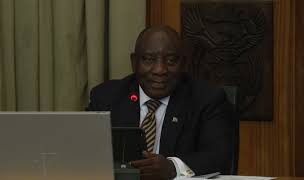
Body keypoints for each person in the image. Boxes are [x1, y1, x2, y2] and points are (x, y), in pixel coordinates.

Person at [87, 26, 238, 180]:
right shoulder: (106, 97)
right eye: (149, 59)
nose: (160, 70)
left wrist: (173, 167)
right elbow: (84, 150)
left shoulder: (207, 99)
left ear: (184, 64)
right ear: (134, 62)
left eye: (171, 60)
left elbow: (219, 158)